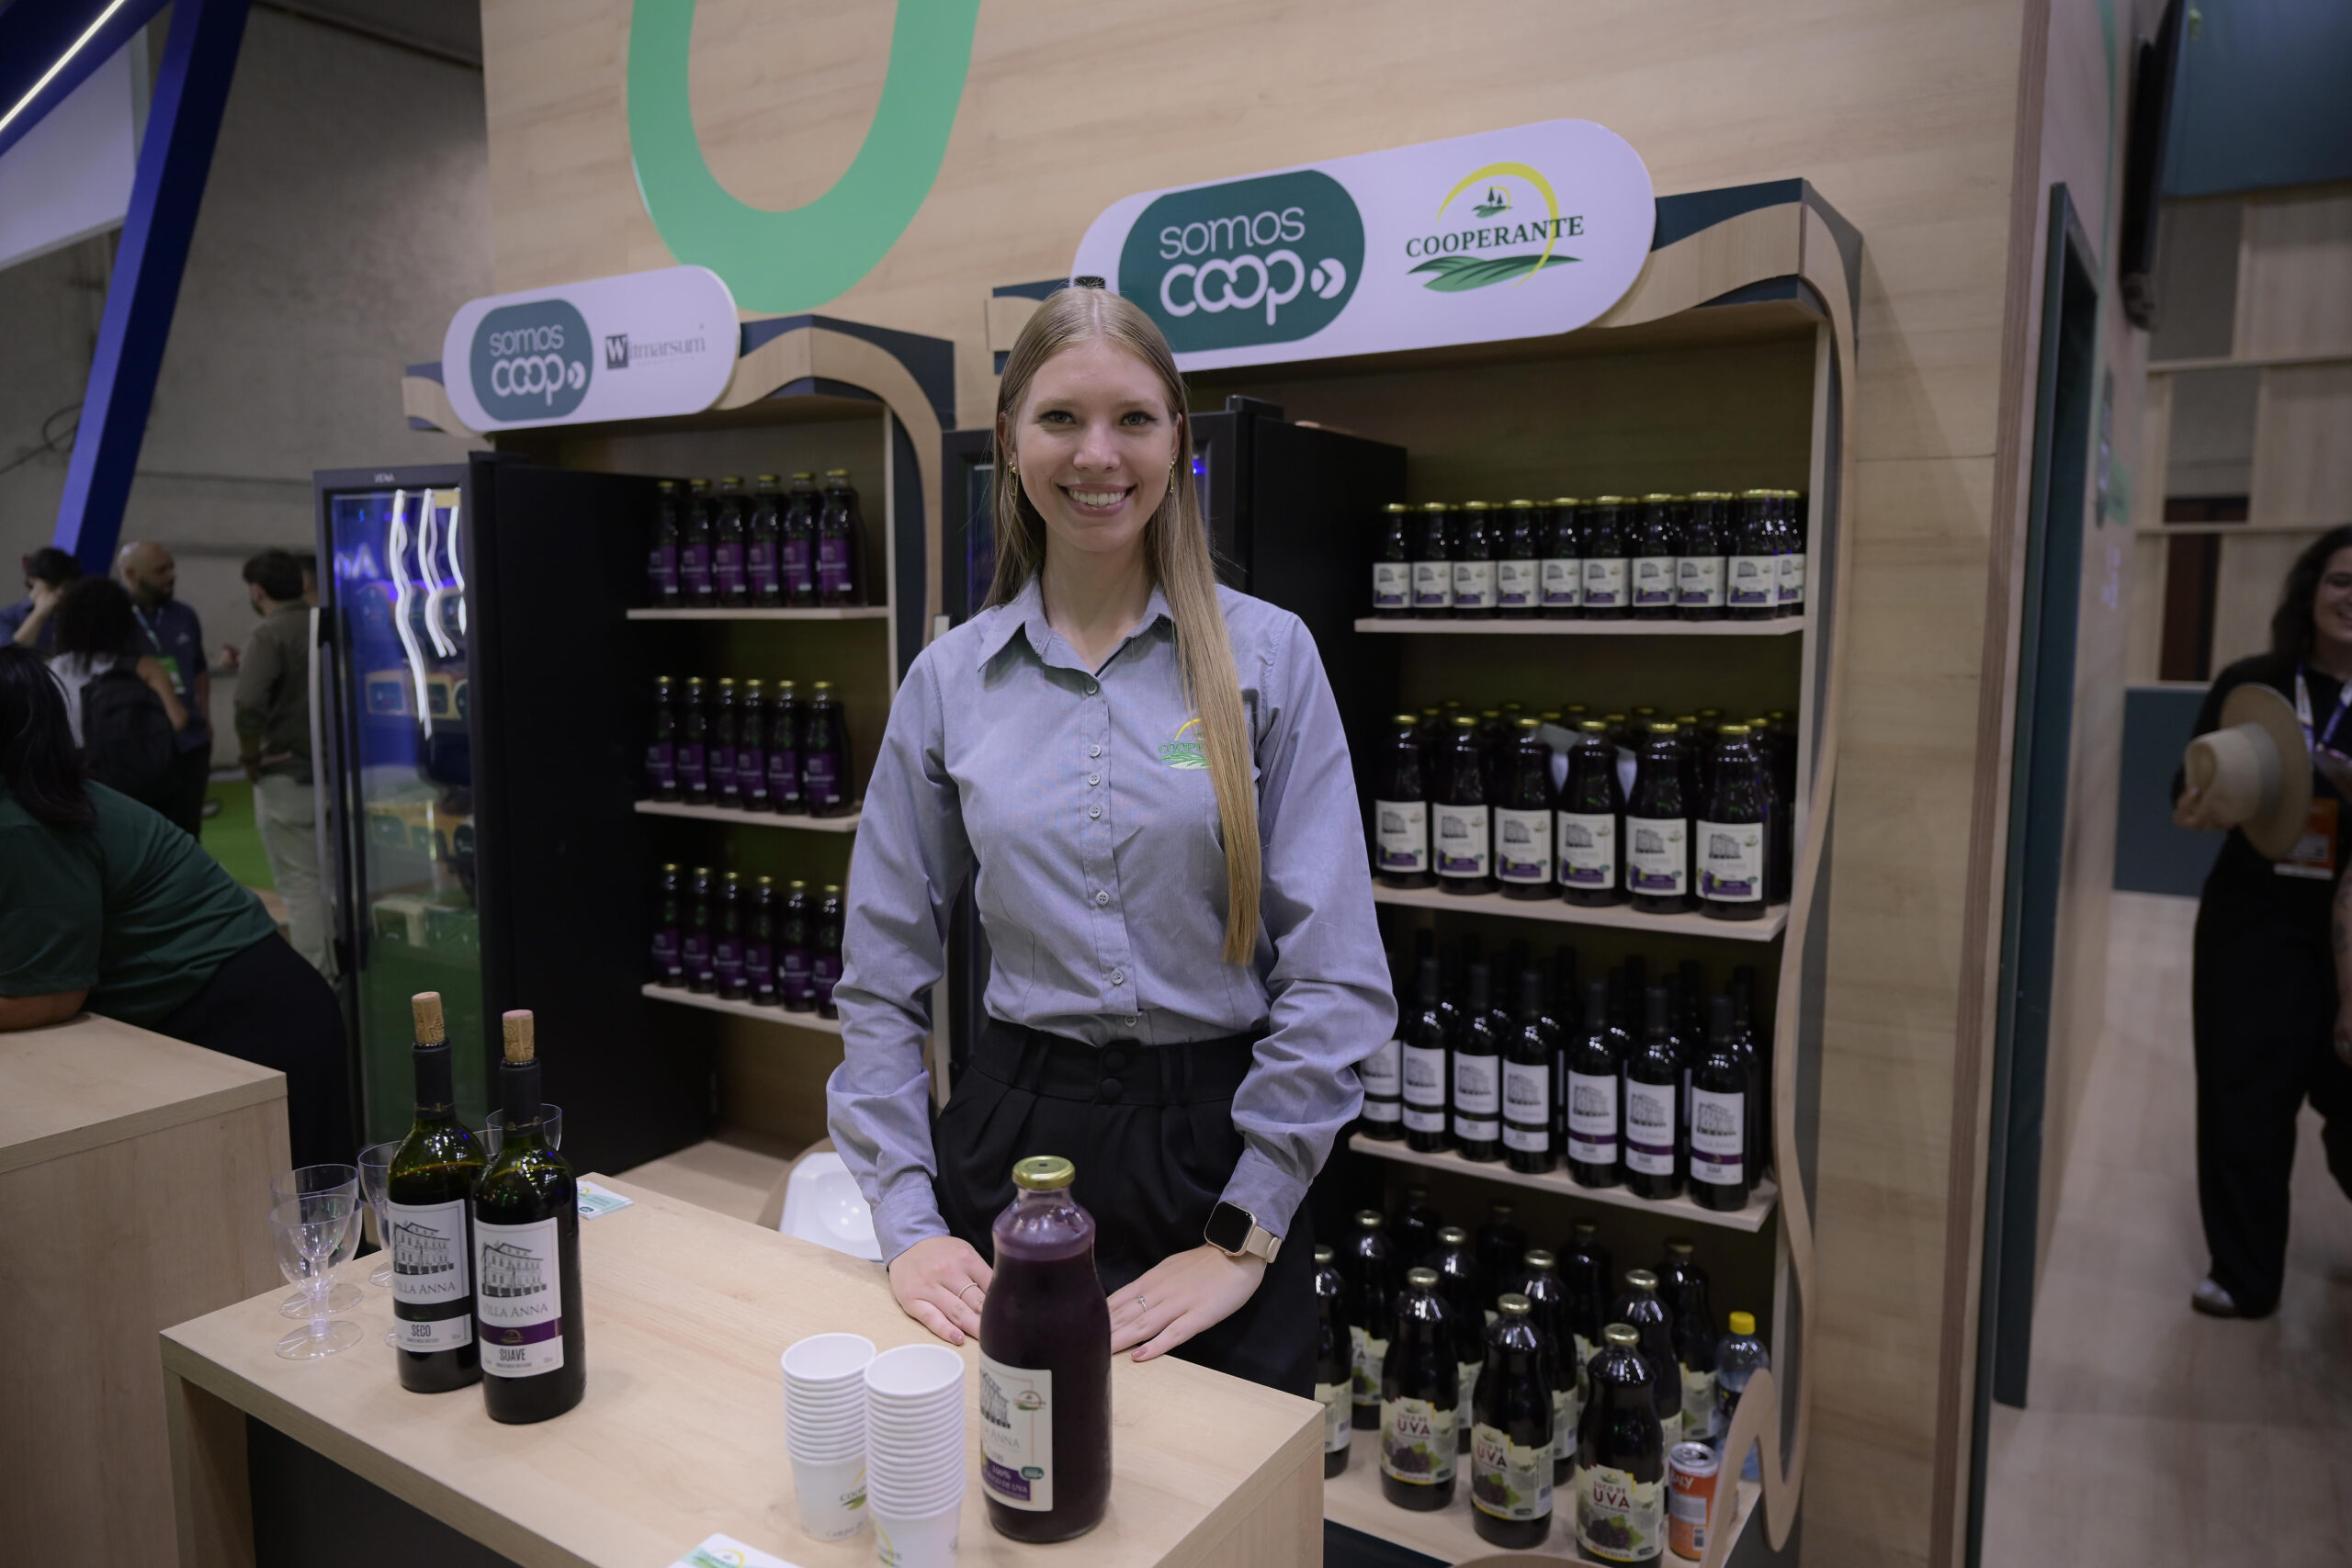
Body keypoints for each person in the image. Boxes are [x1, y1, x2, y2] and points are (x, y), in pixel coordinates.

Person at [826, 285, 1391, 1395]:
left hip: (1222, 1153)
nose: (1098, 455)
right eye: (1060, 419)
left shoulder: (1267, 659)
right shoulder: (948, 683)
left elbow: (1336, 977)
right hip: (1009, 1151)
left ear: (1177, 438)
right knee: (1017, 1473)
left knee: (1223, 1485)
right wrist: (908, 1219)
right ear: (1009, 440)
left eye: (1133, 418)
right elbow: (879, 978)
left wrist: (1243, 1233)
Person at [0, 646, 351, 1168]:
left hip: (253, 1020)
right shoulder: (37, 799)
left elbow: (49, 995)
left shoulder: (21, 821)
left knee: (302, 1208)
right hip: (234, 1010)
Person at [2173, 524, 2352, 1318]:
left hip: (2351, 926)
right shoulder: (2253, 683)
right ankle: (2244, 1274)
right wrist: (2201, 802)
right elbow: (2185, 787)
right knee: (2243, 1097)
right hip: (2253, 921)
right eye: (2342, 580)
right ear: (2311, 590)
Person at [236, 550, 331, 976]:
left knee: (301, 885)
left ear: (257, 591)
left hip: (289, 776)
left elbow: (248, 703)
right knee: (333, 882)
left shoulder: (269, 634)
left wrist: (250, 755)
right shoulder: (328, 625)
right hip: (337, 774)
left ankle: (319, 978)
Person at [48, 576, 189, 812]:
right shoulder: (144, 667)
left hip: (73, 776)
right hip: (131, 776)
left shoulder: (51, 670)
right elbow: (178, 719)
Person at [117, 541, 212, 838]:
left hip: (190, 743)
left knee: (189, 833)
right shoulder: (112, 618)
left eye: (171, 567)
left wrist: (204, 715)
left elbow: (199, 669)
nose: (171, 575)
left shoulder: (184, 615)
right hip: (140, 744)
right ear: (130, 574)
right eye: (161, 570)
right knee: (145, 835)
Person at [3, 546, 80, 652]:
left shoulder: (72, 616)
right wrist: (39, 613)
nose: (60, 593)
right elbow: (11, 656)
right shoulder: (7, 617)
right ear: (32, 579)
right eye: (53, 584)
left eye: (67, 587)